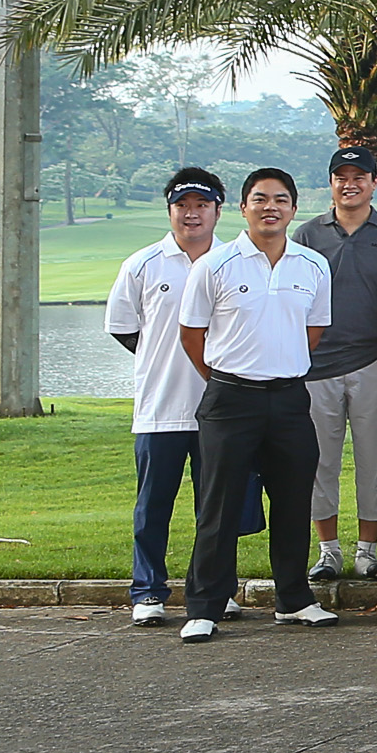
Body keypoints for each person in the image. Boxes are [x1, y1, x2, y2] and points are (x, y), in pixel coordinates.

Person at [173, 165, 337, 641]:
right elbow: (192, 335)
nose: (271, 208)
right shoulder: (215, 264)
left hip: (289, 399)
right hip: (230, 398)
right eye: (261, 199)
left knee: (293, 500)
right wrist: (227, 377)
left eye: (281, 199)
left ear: (294, 208)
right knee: (219, 505)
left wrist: (278, 366)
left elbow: (313, 330)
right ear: (243, 208)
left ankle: (294, 599)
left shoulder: (312, 265)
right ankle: (205, 605)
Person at [106, 167, 225, 626]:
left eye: (201, 205)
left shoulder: (234, 260)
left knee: (215, 510)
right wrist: (162, 358)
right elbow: (123, 328)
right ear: (169, 210)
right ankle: (148, 591)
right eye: (182, 206)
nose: (191, 214)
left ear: (218, 210)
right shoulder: (143, 264)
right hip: (161, 408)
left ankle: (214, 592)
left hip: (220, 409)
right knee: (152, 507)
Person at [295, 143, 377, 584]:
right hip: (315, 365)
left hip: (373, 360)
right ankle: (328, 551)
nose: (350, 185)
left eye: (359, 177)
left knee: (376, 457)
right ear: (330, 183)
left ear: (373, 182)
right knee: (316, 460)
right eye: (341, 178)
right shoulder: (307, 235)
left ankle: (367, 552)